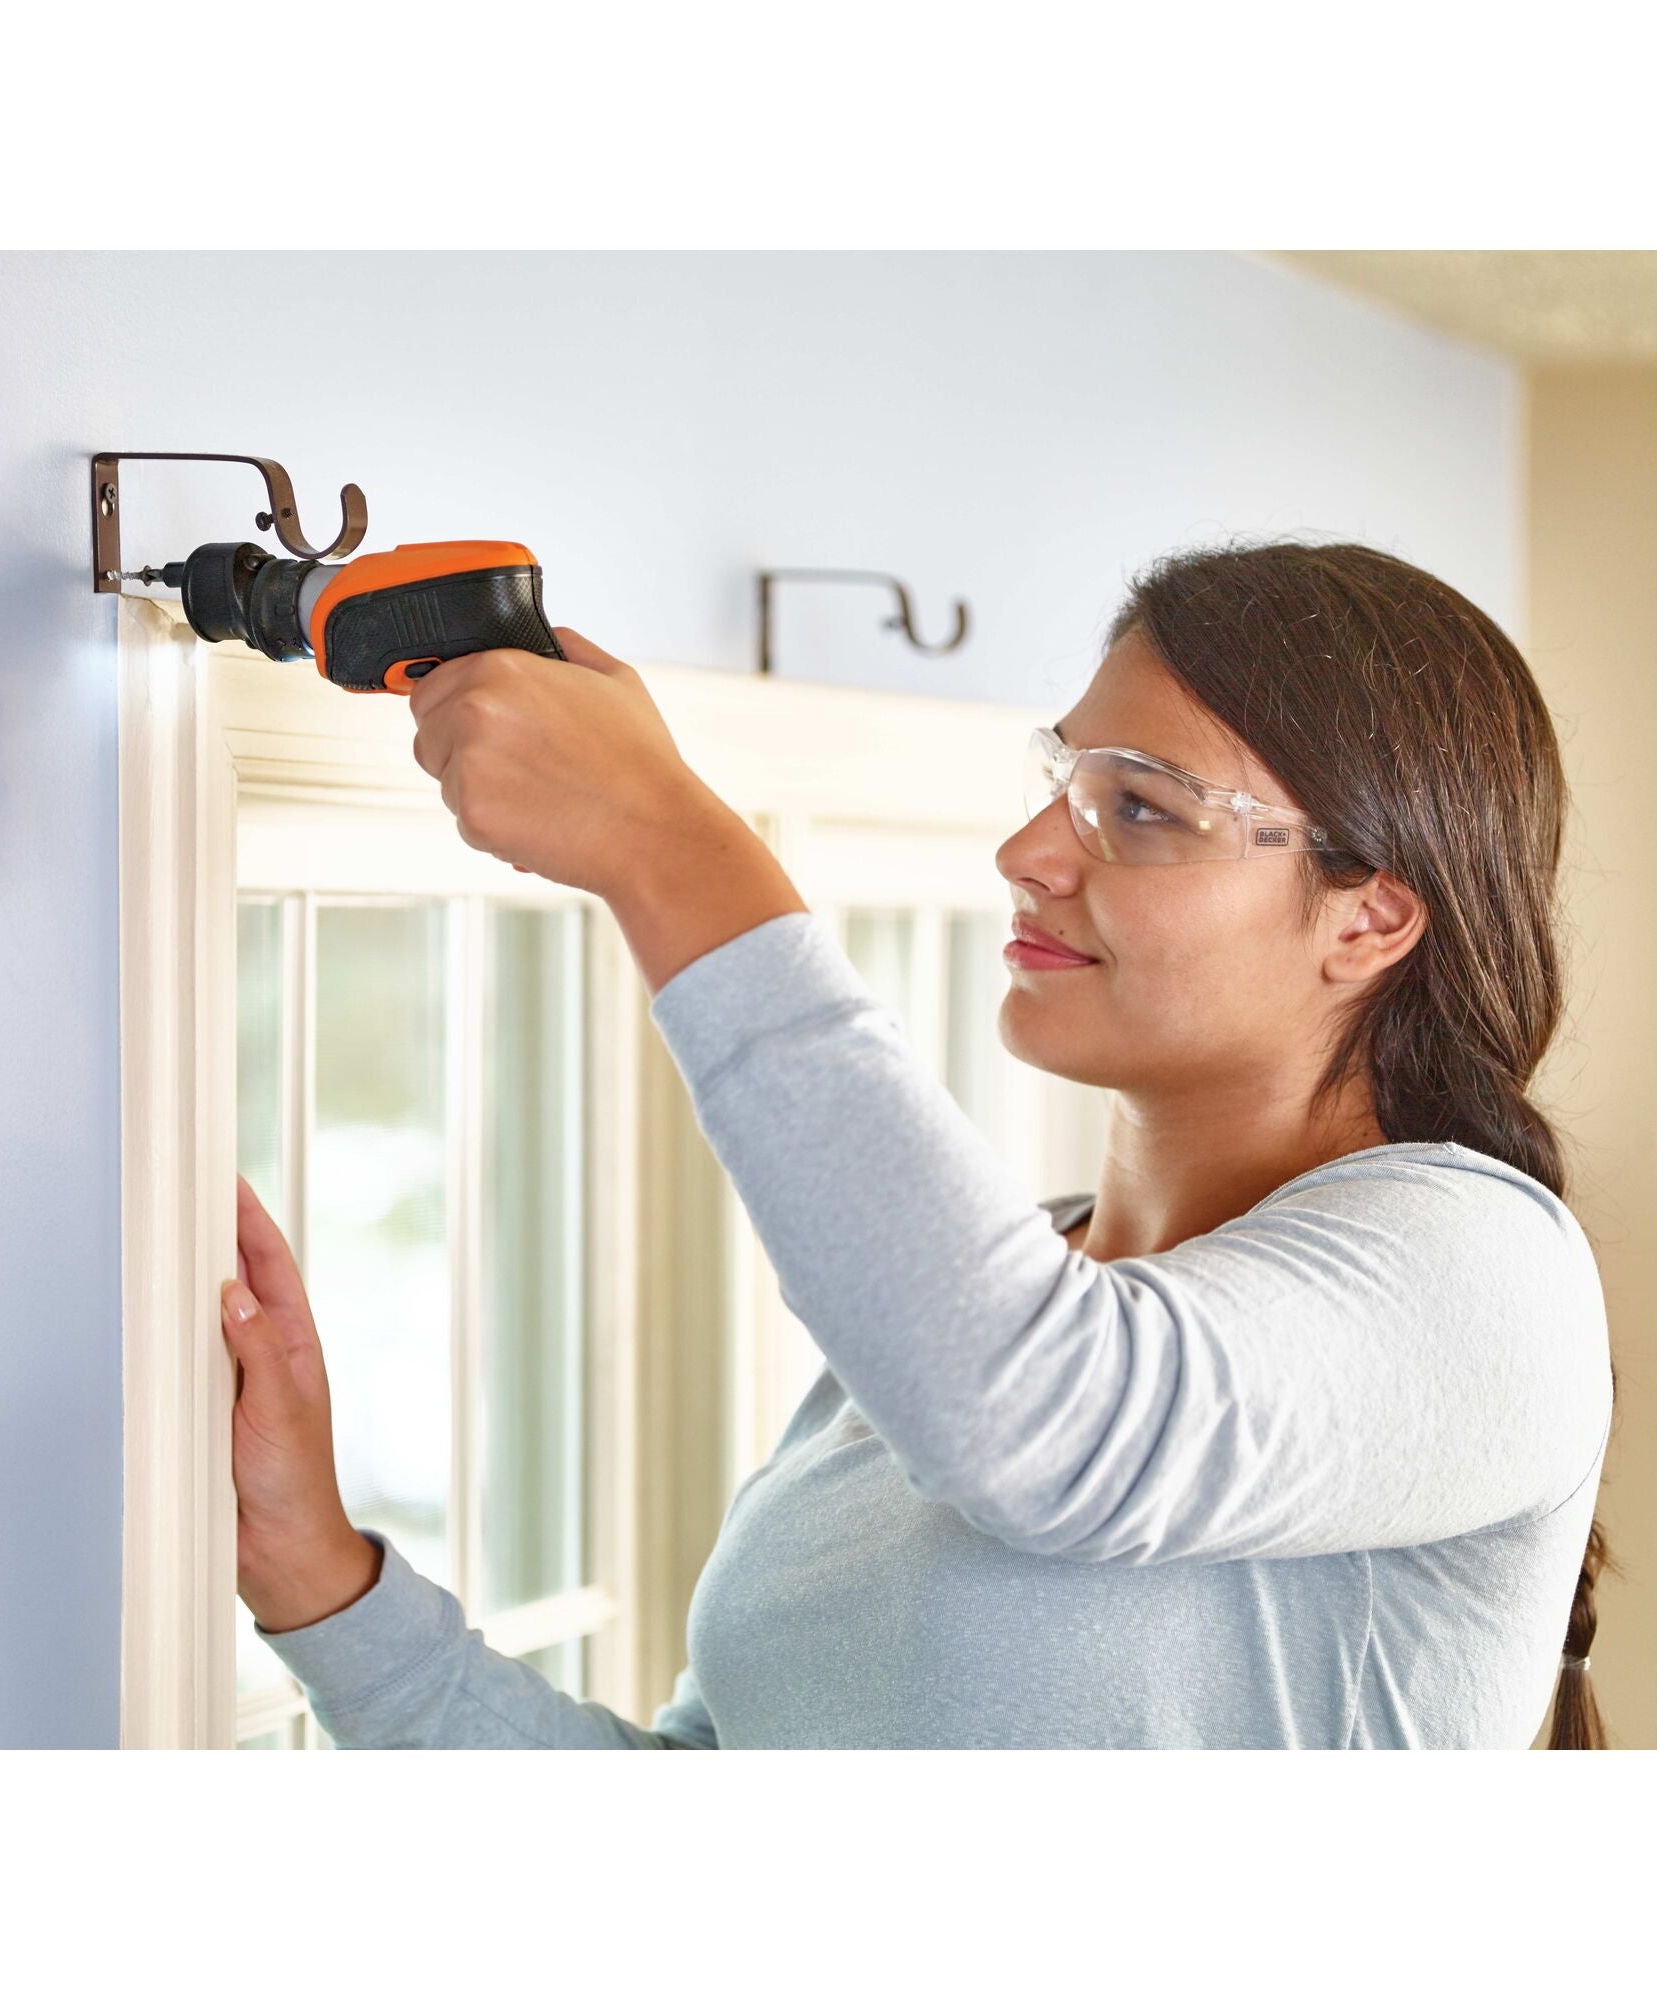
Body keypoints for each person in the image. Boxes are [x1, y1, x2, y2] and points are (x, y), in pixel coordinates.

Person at [218, 537, 1618, 1749]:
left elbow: (1050, 1421)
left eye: (1140, 806)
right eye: (1063, 779)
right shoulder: (946, 1330)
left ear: (1368, 919)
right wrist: (322, 1586)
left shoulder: (1489, 1277)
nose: (1029, 847)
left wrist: (669, 844)